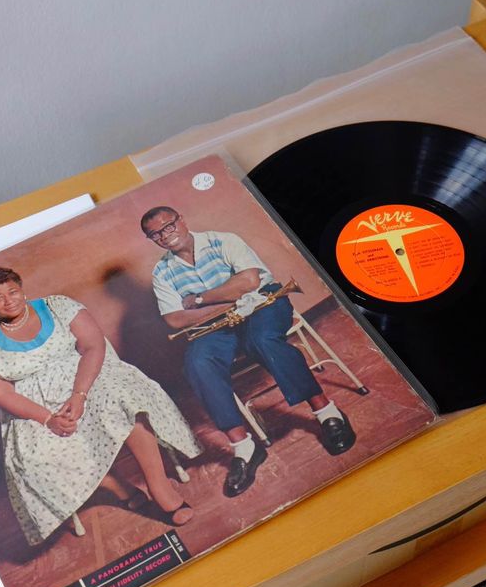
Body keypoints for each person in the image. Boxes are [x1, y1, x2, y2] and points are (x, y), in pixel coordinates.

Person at [0, 266, 200, 545]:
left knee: (125, 399)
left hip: (87, 379)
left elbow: (93, 346)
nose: (9, 300)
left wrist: (79, 395)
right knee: (32, 458)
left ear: (22, 289)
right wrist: (47, 418)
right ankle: (120, 488)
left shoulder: (58, 306)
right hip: (34, 406)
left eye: (12, 292)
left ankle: (159, 487)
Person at [141, 208, 356, 498]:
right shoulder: (161, 272)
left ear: (181, 220)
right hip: (218, 322)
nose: (165, 236)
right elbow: (175, 319)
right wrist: (229, 303)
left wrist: (200, 299)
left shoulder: (222, 240)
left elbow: (250, 282)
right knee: (197, 363)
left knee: (263, 340)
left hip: (263, 304)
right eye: (155, 234)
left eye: (168, 226)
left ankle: (327, 413)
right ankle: (245, 447)